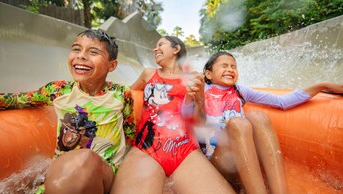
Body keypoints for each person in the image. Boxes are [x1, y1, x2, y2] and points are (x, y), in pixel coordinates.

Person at [185, 51, 343, 194]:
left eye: (234, 66)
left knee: (257, 117)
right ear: (208, 73)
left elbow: (282, 101)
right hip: (217, 162)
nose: (230, 69)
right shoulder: (200, 90)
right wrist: (196, 99)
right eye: (224, 65)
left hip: (242, 160)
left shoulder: (240, 91)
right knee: (238, 123)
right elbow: (192, 123)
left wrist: (322, 85)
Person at [0, 29, 135, 194]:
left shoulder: (120, 94)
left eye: (93, 52)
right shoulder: (59, 90)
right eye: (76, 49)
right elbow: (18, 100)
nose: (81, 56)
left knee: (86, 158)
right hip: (62, 168)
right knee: (26, 180)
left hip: (105, 170)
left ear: (111, 65)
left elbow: (129, 132)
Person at [111, 36, 235, 194]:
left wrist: (198, 97)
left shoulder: (193, 78)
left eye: (160, 44)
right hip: (146, 148)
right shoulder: (148, 74)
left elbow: (199, 121)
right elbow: (125, 93)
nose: (155, 49)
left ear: (176, 49)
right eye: (155, 46)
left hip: (186, 150)